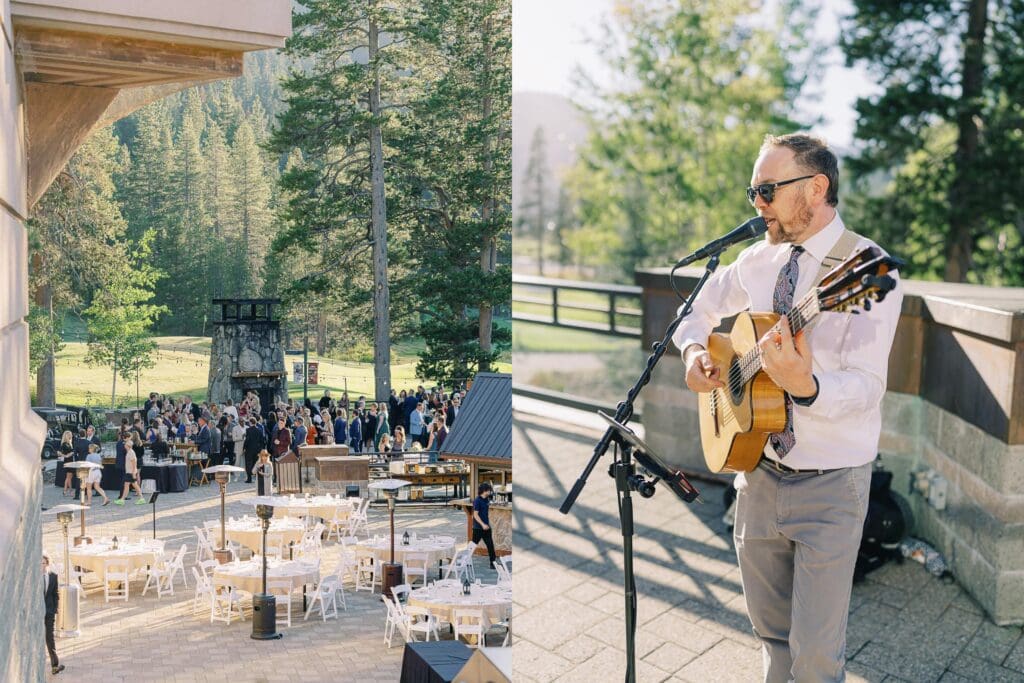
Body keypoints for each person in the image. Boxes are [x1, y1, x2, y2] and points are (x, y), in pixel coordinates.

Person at [675, 133, 902, 683]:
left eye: (768, 189)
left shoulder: (868, 268)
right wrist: (696, 351)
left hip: (832, 485)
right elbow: (696, 308)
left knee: (818, 655)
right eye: (753, 191)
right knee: (772, 637)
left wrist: (807, 386)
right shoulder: (757, 261)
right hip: (757, 477)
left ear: (817, 187)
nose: (757, 203)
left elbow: (868, 386)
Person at [43, 554, 64, 675]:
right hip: (36, 612)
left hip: (49, 611)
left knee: (49, 637)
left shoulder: (53, 577)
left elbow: (56, 594)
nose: (41, 566)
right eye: (39, 563)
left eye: (43, 563)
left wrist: (55, 608)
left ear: (47, 564)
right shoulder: (34, 577)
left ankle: (54, 666)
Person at [471, 483, 497, 568]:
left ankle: (493, 564)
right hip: (478, 528)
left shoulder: (486, 499)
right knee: (472, 546)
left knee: (490, 546)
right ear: (484, 491)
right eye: (489, 490)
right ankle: (465, 561)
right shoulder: (477, 501)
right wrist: (482, 524)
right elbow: (475, 515)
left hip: (486, 527)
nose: (490, 491)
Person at [116, 435, 146, 505]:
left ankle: (141, 498)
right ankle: (123, 499)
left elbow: (134, 463)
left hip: (130, 472)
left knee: (132, 485)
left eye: (125, 445)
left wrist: (133, 473)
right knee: (129, 485)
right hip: (129, 472)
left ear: (128, 446)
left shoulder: (131, 453)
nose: (124, 446)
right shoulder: (129, 452)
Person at [243, 419, 266, 483]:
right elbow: (262, 441)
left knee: (248, 463)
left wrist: (244, 447)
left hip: (249, 449)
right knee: (256, 463)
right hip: (257, 449)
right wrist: (261, 448)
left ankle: (249, 478)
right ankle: (257, 476)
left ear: (250, 423)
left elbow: (247, 440)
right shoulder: (259, 430)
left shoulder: (248, 430)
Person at [58, 431, 75, 496]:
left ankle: (65, 491)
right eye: (70, 435)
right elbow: (58, 452)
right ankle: (70, 491)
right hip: (68, 461)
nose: (71, 436)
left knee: (69, 477)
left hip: (69, 461)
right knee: (68, 477)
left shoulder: (69, 443)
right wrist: (66, 455)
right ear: (67, 436)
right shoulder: (65, 444)